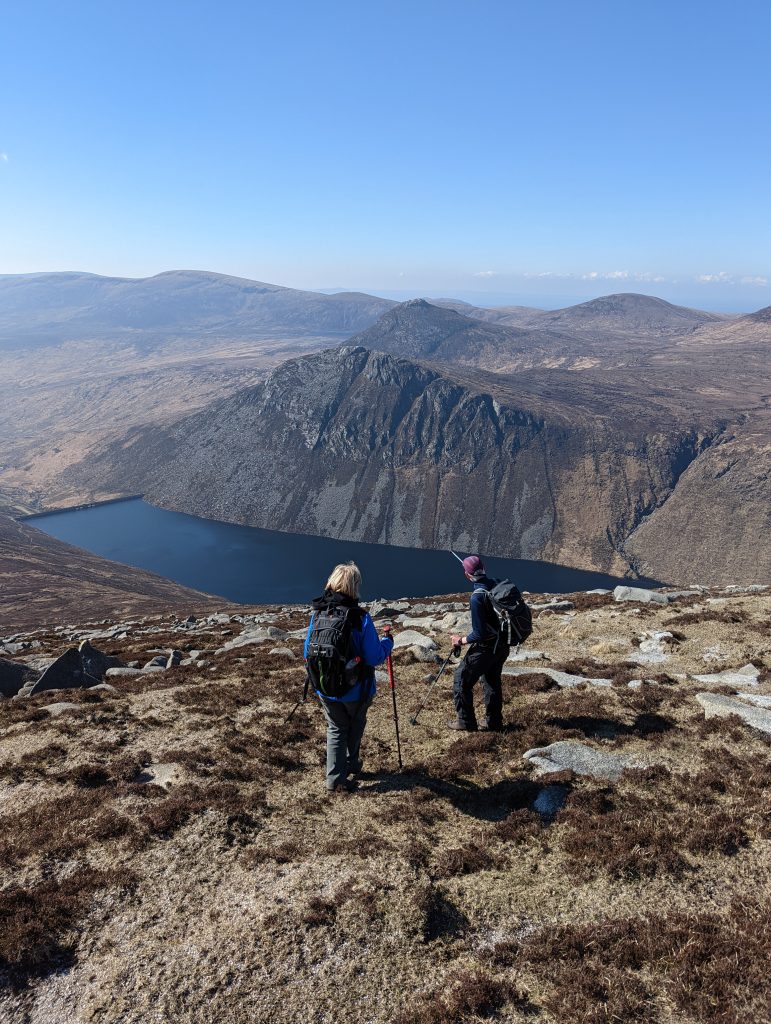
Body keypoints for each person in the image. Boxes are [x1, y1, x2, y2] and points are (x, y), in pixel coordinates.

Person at [305, 561, 393, 793]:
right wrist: (388, 643)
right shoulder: (359, 618)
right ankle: (352, 764)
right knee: (355, 725)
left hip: (325, 687)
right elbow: (374, 657)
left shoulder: (318, 614)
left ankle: (335, 777)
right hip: (357, 689)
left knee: (336, 728)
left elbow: (307, 652)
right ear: (355, 586)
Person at [448, 554, 509, 732]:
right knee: (492, 681)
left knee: (462, 679)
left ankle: (465, 721)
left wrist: (460, 640)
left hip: (487, 648)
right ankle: (494, 722)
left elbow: (480, 633)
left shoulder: (477, 597)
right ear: (484, 569)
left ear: (467, 575)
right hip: (502, 646)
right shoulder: (496, 585)